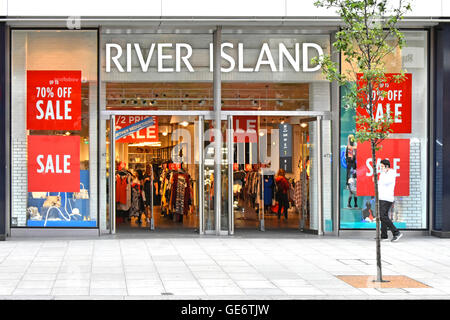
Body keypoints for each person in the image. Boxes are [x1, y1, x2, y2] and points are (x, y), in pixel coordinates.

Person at [378, 159, 403, 242]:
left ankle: (396, 232)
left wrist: (379, 181)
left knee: (383, 216)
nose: (381, 168)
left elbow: (385, 182)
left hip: (387, 197)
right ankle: (384, 235)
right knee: (382, 217)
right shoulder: (383, 174)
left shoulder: (391, 173)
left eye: (382, 166)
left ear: (386, 166)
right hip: (382, 197)